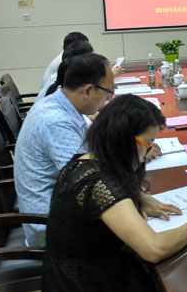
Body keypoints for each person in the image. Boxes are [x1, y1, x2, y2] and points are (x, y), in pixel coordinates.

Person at [42, 95, 187, 292]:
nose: (147, 153)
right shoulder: (98, 184)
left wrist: (139, 197)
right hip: (86, 282)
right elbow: (154, 249)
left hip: (89, 267)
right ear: (124, 139)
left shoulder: (85, 161)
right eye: (147, 144)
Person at [14, 52, 115, 247]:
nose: (109, 98)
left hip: (62, 206)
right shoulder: (55, 121)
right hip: (50, 226)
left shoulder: (62, 103)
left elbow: (89, 153)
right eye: (108, 91)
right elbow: (88, 181)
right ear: (88, 90)